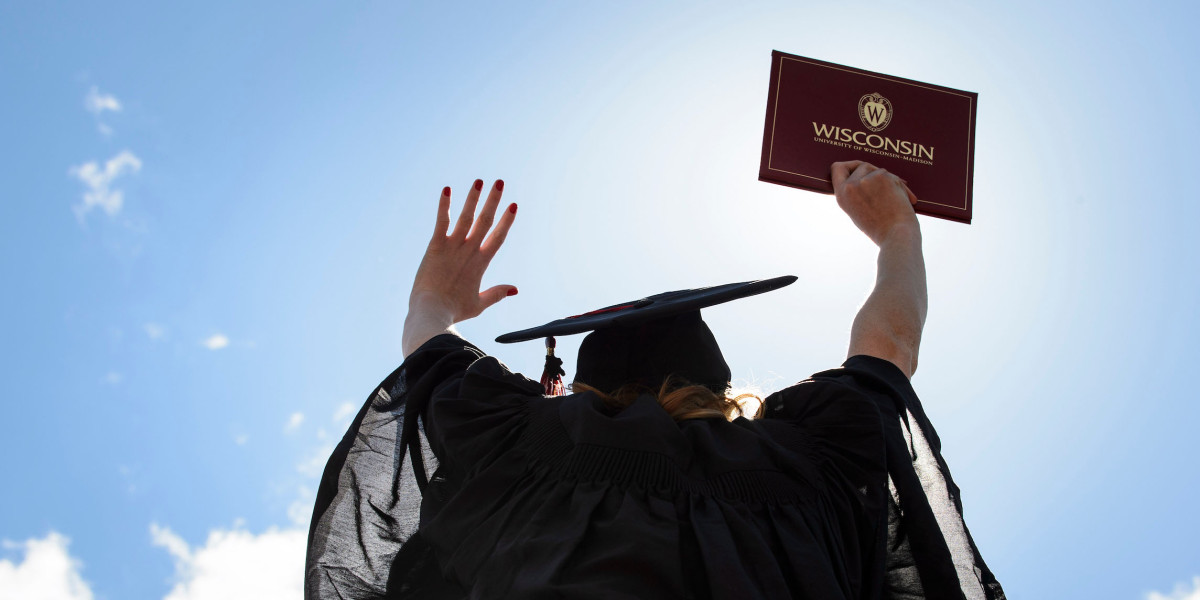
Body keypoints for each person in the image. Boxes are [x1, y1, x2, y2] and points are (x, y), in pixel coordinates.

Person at [305, 164, 1006, 599]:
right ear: (719, 379)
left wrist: (436, 300)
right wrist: (897, 232)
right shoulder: (811, 457)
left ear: (578, 382)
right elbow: (889, 347)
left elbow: (429, 352)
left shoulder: (517, 442)